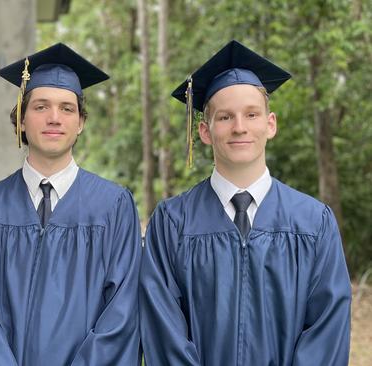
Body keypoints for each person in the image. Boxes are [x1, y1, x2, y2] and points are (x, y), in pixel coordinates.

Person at [139, 40, 351, 365]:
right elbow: (163, 331)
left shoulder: (313, 222)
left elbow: (327, 329)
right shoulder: (172, 222)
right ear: (205, 132)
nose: (239, 127)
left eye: (251, 114)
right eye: (225, 117)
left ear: (270, 124)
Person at [0, 43, 142, 365]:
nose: (54, 118)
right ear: (21, 120)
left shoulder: (114, 207)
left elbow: (121, 314)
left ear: (80, 123)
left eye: (67, 109)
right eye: (41, 107)